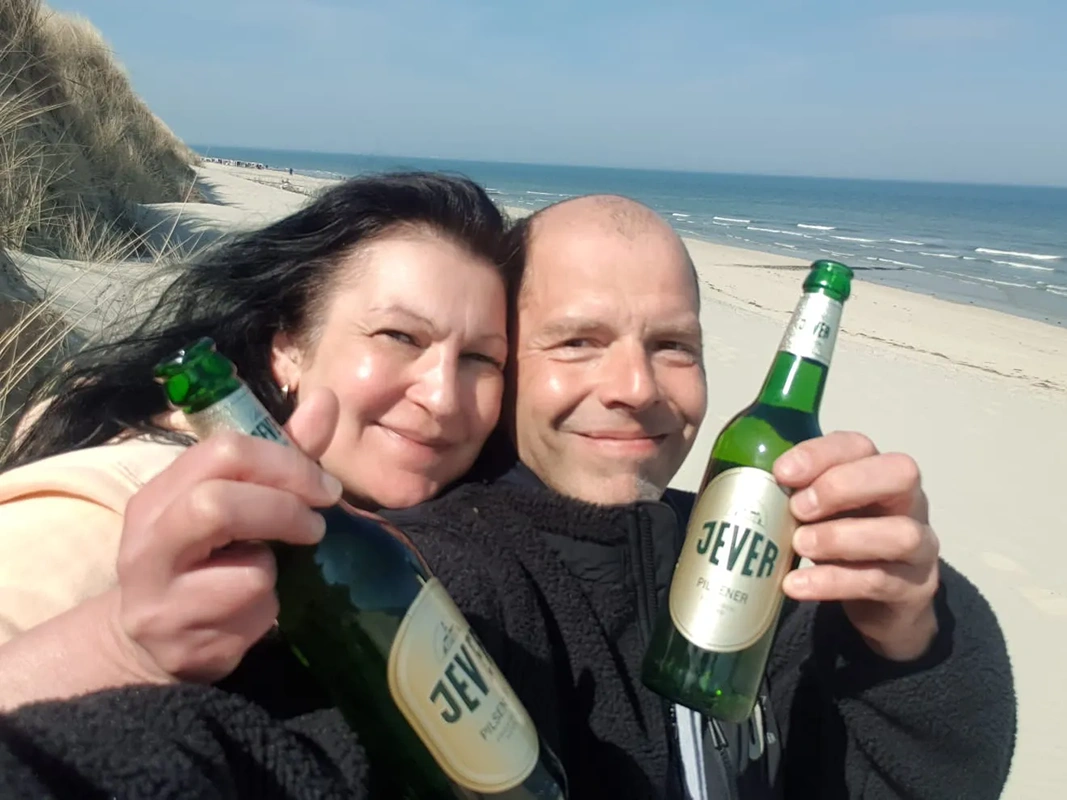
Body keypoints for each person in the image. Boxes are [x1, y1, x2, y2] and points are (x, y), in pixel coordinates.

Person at [0, 196, 1015, 800]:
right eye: (575, 341)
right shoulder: (447, 566)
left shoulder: (752, 554)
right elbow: (254, 751)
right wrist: (120, 656)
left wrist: (909, 634)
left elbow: (907, 775)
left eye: (674, 346)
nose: (634, 386)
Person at [0, 171, 513, 701]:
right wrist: (118, 644)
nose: (443, 397)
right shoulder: (124, 503)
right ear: (288, 350)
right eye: (399, 336)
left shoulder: (404, 524)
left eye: (480, 358)